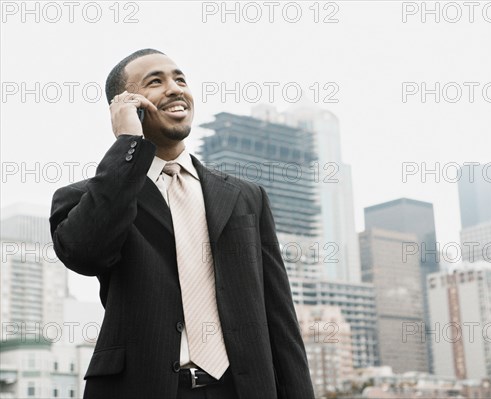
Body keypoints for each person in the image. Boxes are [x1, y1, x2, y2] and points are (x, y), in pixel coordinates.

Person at [49, 49, 314, 399]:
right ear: (125, 105)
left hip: (241, 389)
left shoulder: (246, 197)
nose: (175, 88)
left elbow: (280, 317)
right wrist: (129, 144)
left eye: (180, 79)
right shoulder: (93, 197)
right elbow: (86, 253)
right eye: (155, 82)